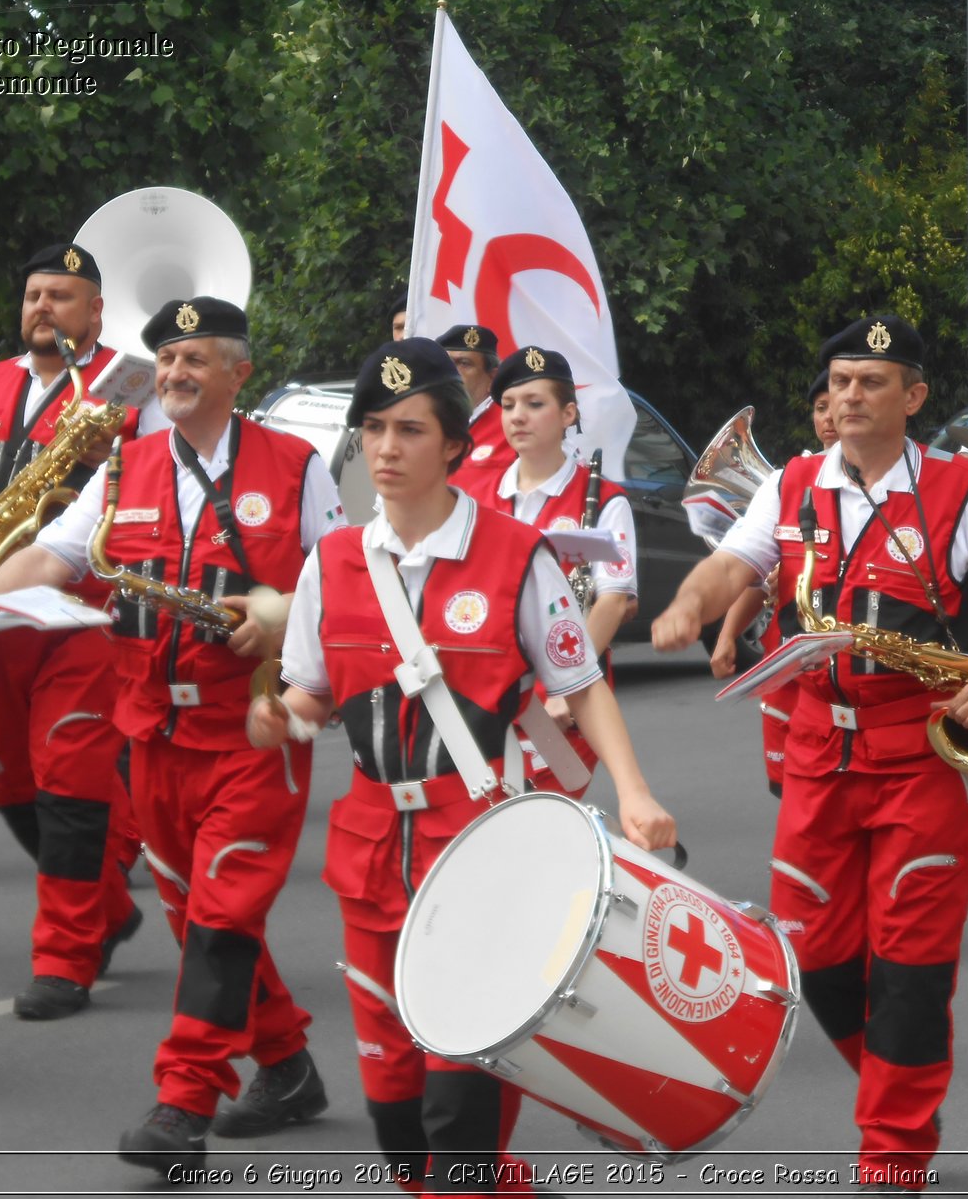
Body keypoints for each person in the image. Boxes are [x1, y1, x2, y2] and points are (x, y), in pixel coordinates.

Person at [248, 337, 675, 1196]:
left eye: (408, 430)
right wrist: (272, 718)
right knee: (400, 1127)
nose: (385, 449)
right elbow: (308, 699)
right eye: (373, 429)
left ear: (454, 445)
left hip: (480, 850)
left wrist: (636, 794)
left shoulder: (519, 556)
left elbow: (580, 683)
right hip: (371, 854)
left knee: (460, 1116)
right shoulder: (330, 566)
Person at [653, 315, 968, 1192]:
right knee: (814, 957)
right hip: (815, 751)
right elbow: (733, 565)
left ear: (912, 397)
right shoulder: (794, 481)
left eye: (871, 383)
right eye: (839, 383)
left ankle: (894, 1153)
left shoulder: (961, 491)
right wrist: (689, 602)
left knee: (910, 965)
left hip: (923, 752)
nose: (849, 397)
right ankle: (899, 1086)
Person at [0, 297, 345, 1171]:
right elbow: (53, 558)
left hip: (253, 727)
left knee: (223, 912)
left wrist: (281, 621)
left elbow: (343, 582)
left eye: (195, 360)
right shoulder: (123, 468)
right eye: (167, 359)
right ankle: (285, 1067)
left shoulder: (295, 466)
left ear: (238, 374)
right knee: (197, 917)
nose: (173, 374)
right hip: (151, 732)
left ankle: (182, 1104)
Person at [0, 242, 141, 1020]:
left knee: (69, 784)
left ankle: (66, 958)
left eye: (63, 295)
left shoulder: (129, 387)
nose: (44, 306)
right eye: (35, 294)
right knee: (10, 783)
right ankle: (110, 905)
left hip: (79, 617)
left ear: (96, 310)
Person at [480, 345, 637, 794]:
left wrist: (566, 692)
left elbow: (611, 600)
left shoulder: (605, 499)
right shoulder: (476, 496)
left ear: (569, 413)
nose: (517, 417)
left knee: (543, 824)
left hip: (562, 702)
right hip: (489, 695)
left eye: (534, 404)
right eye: (508, 405)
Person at [710, 368, 838, 798]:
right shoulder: (789, 482)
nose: (829, 417)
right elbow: (752, 579)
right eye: (820, 409)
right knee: (786, 788)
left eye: (834, 406)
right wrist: (728, 635)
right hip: (785, 660)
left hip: (842, 664)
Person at [434, 324, 514, 499]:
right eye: (447, 363)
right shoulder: (425, 422)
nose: (452, 372)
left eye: (464, 363)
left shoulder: (514, 422)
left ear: (492, 378)